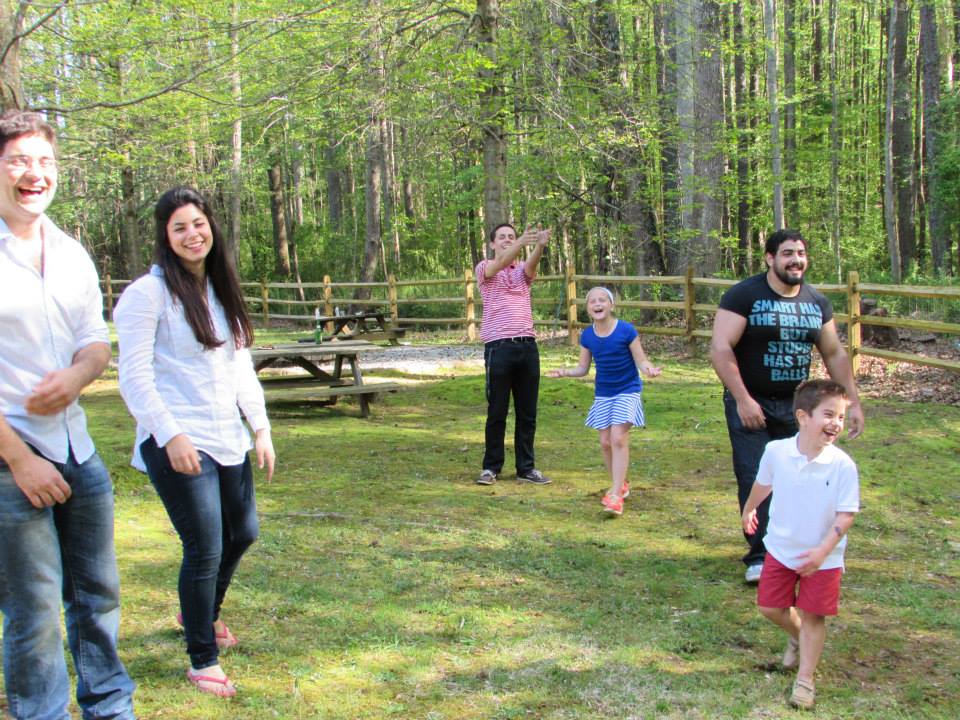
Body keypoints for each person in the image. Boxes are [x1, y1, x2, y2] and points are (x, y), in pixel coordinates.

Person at [0, 110, 137, 719]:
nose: (35, 173)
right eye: (19, 161)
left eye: (45, 162)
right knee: (34, 611)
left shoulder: (70, 251)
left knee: (98, 597)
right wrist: (18, 459)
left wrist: (78, 376)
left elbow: (94, 342)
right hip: (12, 461)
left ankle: (110, 706)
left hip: (79, 451)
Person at [114, 187, 275, 698]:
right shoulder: (148, 294)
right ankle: (202, 659)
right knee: (204, 546)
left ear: (211, 227)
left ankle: (200, 613)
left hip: (226, 434)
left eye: (198, 224)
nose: (192, 234)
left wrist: (261, 427)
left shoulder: (219, 290)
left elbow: (239, 365)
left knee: (243, 532)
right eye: (179, 227)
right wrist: (170, 435)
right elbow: (134, 377)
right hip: (177, 439)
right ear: (165, 237)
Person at [710, 229, 864, 584]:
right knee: (756, 474)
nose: (796, 260)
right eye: (787, 253)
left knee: (802, 477)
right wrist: (743, 399)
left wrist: (852, 402)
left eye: (801, 253)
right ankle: (759, 556)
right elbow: (720, 348)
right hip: (750, 401)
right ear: (769, 258)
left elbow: (834, 353)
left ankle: (795, 550)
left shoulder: (816, 302)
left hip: (798, 407)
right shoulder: (744, 296)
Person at [741, 379, 859, 710]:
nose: (836, 423)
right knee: (770, 607)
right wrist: (749, 509)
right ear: (803, 417)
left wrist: (822, 551)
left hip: (824, 558)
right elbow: (763, 484)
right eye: (829, 415)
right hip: (781, 548)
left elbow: (847, 514)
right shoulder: (776, 452)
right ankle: (797, 639)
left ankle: (805, 680)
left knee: (813, 617)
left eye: (840, 416)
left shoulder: (842, 465)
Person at [548, 287, 661, 515]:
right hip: (604, 394)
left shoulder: (626, 330)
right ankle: (620, 484)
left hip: (628, 391)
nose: (597, 304)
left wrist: (649, 369)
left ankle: (616, 495)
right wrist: (564, 372)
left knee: (618, 438)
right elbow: (583, 368)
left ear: (611, 305)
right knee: (605, 443)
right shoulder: (587, 336)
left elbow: (641, 360)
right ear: (588, 308)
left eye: (602, 300)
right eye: (592, 301)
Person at [475, 223, 552, 486]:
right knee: (497, 411)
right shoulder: (485, 268)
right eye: (503, 237)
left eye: (511, 236)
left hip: (527, 347)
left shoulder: (521, 272)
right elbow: (498, 264)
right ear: (492, 244)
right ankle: (491, 467)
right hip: (498, 348)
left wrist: (539, 245)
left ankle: (526, 468)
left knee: (527, 413)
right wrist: (520, 241)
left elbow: (531, 266)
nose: (508, 240)